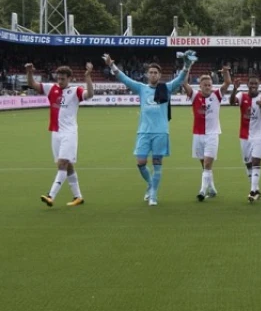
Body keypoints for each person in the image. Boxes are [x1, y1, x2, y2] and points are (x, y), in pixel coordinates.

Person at [103, 53, 192, 206]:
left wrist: (186, 66)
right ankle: (151, 185)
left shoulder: (166, 88)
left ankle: (153, 195)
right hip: (143, 132)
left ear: (159, 75)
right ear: (146, 75)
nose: (153, 75)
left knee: (157, 164)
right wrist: (112, 65)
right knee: (141, 162)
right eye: (150, 72)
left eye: (155, 72)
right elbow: (124, 78)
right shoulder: (141, 88)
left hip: (160, 132)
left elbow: (179, 79)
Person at [28, 63, 94, 207]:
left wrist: (88, 77)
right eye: (58, 78)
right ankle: (78, 197)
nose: (60, 81)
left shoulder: (76, 91)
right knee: (68, 165)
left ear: (69, 78)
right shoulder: (51, 88)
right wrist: (29, 72)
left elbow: (90, 94)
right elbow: (32, 84)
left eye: (63, 79)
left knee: (62, 163)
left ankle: (50, 195)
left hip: (69, 133)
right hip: (55, 133)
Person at [183, 68, 231, 201]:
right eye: (205, 85)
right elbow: (184, 82)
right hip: (198, 135)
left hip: (212, 134)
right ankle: (212, 188)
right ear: (200, 86)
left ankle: (202, 191)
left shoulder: (216, 96)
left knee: (208, 163)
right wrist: (187, 67)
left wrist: (225, 72)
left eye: (209, 85)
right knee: (204, 165)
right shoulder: (194, 95)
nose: (208, 87)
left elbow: (227, 82)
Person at [230, 76, 261, 203]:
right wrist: (234, 89)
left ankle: (252, 191)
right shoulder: (241, 96)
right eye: (251, 83)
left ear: (258, 84)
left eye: (255, 83)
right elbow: (231, 102)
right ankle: (257, 189)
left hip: (259, 136)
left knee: (256, 161)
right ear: (247, 85)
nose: (253, 85)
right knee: (248, 163)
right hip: (244, 136)